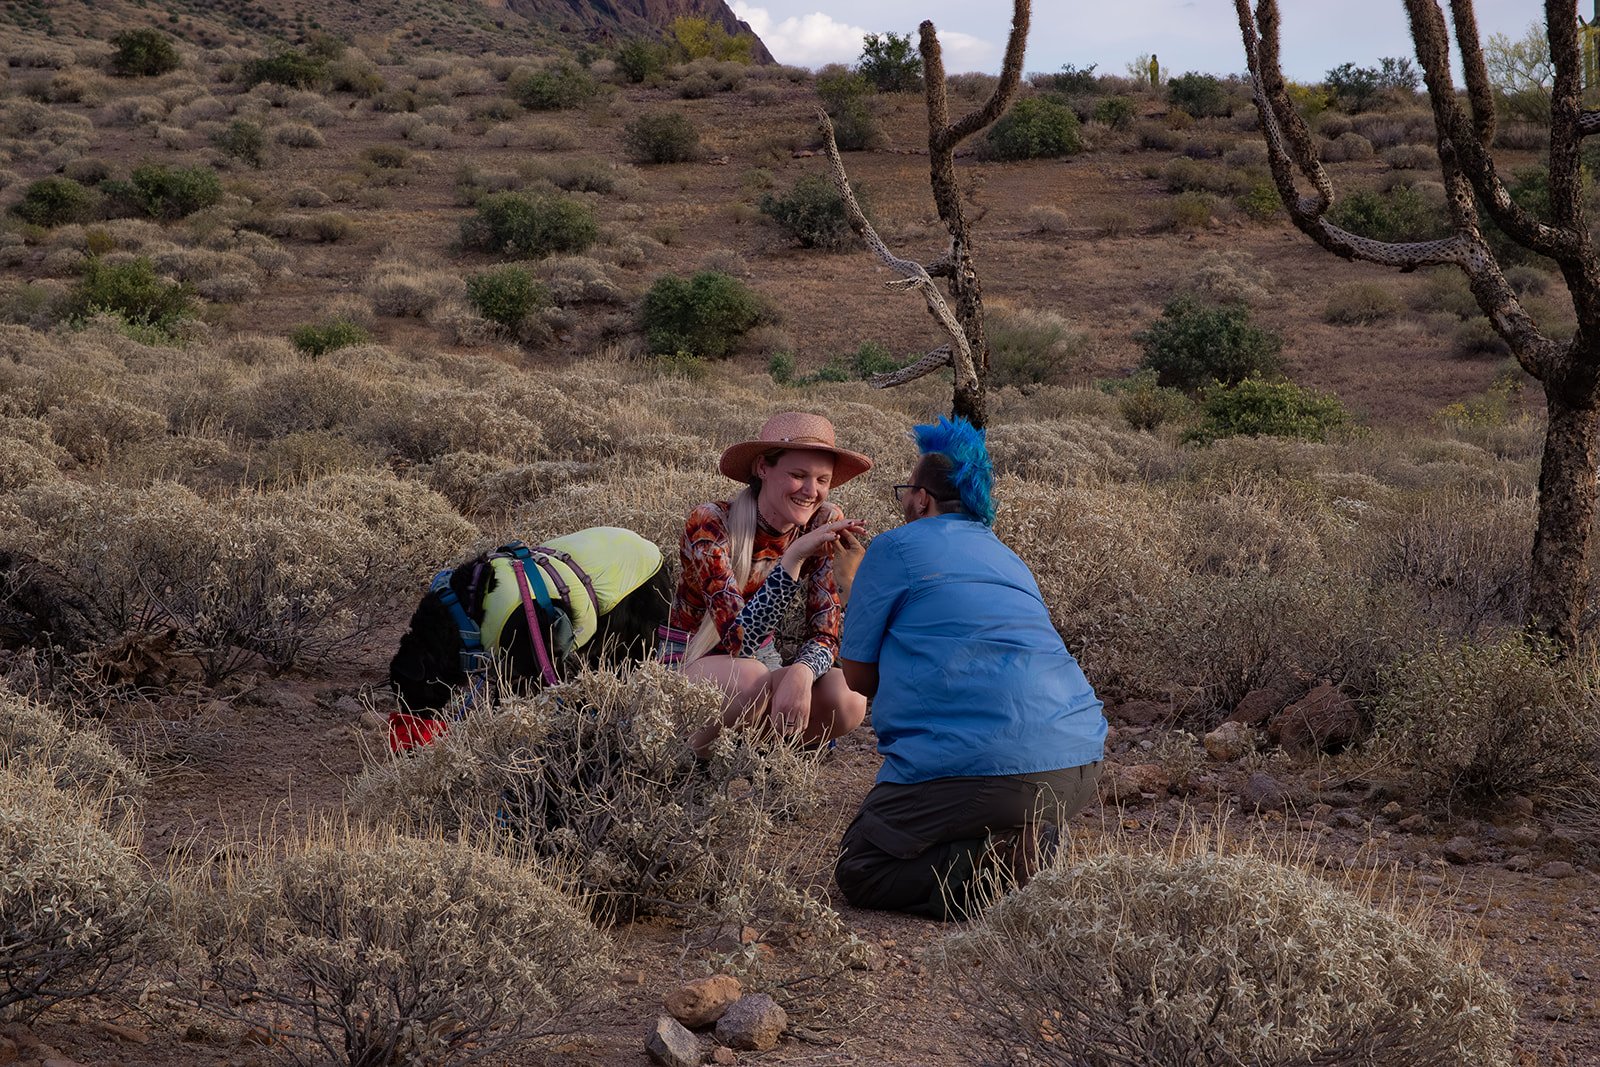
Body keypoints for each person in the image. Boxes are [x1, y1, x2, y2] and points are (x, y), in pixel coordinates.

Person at [835, 415, 1106, 920]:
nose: (904, 501)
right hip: (1077, 767)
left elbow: (858, 679)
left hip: (988, 770)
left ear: (921, 499)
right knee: (973, 809)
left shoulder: (894, 547)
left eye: (906, 490)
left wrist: (853, 582)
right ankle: (1023, 841)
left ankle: (1005, 864)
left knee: (862, 865)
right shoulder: (1006, 555)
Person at [660, 411, 872, 755]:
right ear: (763, 468)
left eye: (822, 479)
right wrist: (793, 559)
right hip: (689, 660)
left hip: (761, 664)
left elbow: (825, 633)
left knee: (846, 695)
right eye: (798, 475)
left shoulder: (821, 521)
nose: (811, 491)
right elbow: (737, 642)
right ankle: (687, 760)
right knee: (749, 678)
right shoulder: (711, 522)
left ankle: (759, 760)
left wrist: (802, 671)